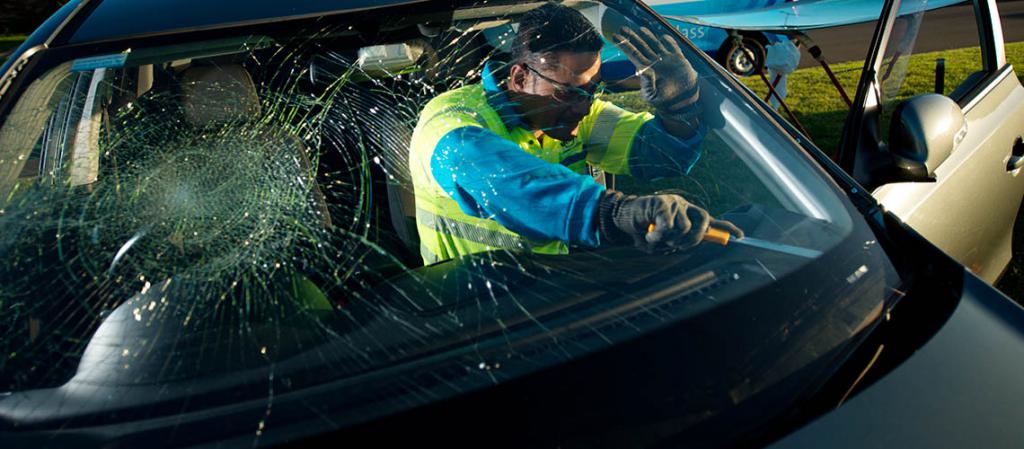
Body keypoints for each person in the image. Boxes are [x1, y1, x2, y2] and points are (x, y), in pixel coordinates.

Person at [408, 2, 741, 264]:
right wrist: (622, 214)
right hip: (464, 318)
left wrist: (678, 108)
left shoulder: (580, 115)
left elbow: (661, 156)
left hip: (557, 297)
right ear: (520, 77)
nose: (583, 108)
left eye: (593, 90)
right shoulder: (451, 124)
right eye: (569, 93)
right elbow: (513, 186)